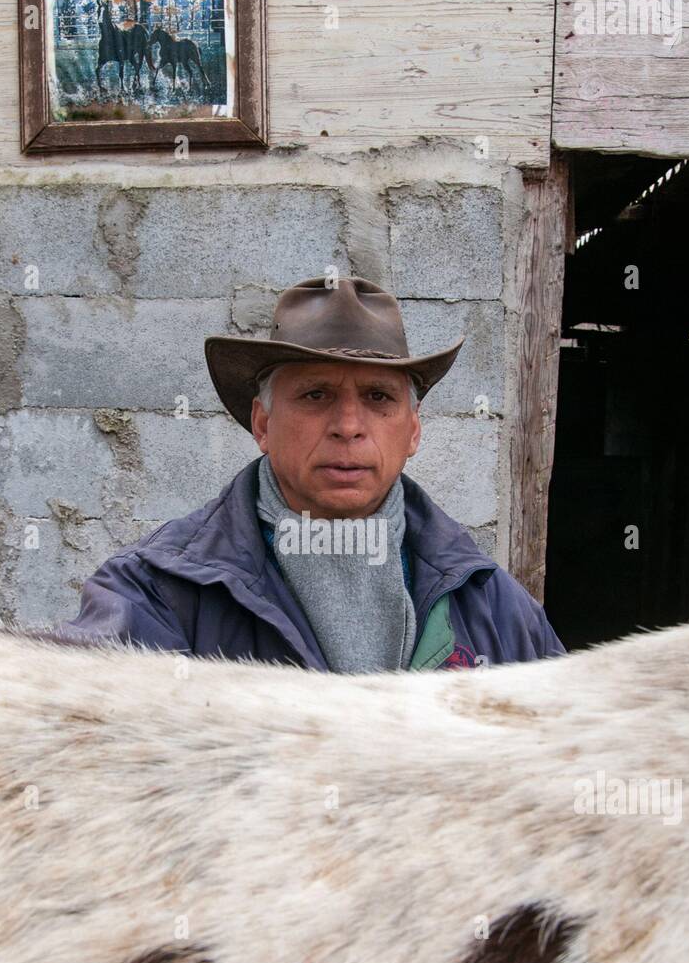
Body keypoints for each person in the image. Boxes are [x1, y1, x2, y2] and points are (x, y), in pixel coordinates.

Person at [62, 275, 564, 671]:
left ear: (412, 432)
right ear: (262, 423)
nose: (348, 427)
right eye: (315, 395)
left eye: (378, 397)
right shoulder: (156, 592)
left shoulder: (493, 605)